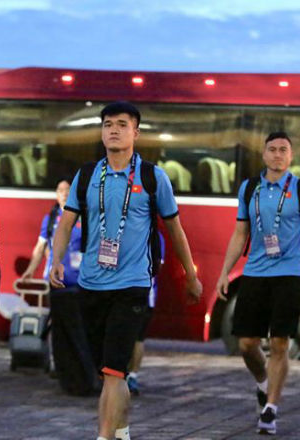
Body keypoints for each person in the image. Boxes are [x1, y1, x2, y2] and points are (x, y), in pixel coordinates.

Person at [49, 101, 202, 440]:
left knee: (115, 370)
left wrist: (191, 277)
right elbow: (66, 224)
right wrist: (56, 260)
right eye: (107, 124)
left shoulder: (152, 177)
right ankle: (122, 431)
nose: (114, 130)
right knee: (106, 373)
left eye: (121, 124)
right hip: (91, 283)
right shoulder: (87, 175)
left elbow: (175, 229)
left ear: (136, 132)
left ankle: (104, 436)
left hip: (132, 285)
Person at [215, 131, 300, 436]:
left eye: (283, 150)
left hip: (289, 274)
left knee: (279, 342)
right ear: (264, 155)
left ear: (291, 156)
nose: (277, 154)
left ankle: (271, 409)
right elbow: (240, 233)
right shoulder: (250, 188)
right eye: (272, 149)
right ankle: (263, 382)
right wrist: (224, 272)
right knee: (246, 344)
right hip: (255, 273)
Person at [21, 176, 82, 287]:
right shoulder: (50, 219)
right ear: (57, 195)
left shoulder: (84, 218)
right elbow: (40, 247)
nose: (65, 194)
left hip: (78, 280)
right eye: (61, 191)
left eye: (68, 190)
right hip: (54, 280)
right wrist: (30, 270)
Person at [126, 232, 165, 396]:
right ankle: (128, 375)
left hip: (141, 294)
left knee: (136, 338)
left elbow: (158, 265)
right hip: (136, 293)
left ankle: (130, 375)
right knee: (134, 338)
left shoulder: (155, 236)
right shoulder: (156, 236)